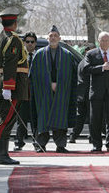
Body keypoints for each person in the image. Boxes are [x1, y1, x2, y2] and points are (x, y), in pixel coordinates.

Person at [29, 25, 77, 153]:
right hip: (43, 93)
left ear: (60, 38)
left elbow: (72, 75)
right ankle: (40, 145)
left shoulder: (67, 55)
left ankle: (60, 145)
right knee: (43, 117)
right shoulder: (39, 55)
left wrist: (59, 84)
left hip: (62, 92)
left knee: (60, 117)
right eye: (51, 36)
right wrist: (48, 84)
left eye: (55, 36)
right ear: (47, 38)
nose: (53, 38)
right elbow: (33, 75)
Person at [0, 7, 29, 164]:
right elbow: (10, 63)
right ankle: (1, 155)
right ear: (14, 23)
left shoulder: (0, 37)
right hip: (12, 85)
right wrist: (8, 87)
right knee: (6, 120)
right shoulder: (12, 39)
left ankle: (2, 154)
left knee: (4, 118)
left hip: (5, 83)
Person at [83, 31, 109, 152]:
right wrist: (102, 68)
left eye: (107, 40)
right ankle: (96, 144)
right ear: (98, 41)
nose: (105, 42)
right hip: (97, 92)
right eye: (102, 40)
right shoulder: (91, 54)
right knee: (95, 119)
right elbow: (86, 69)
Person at [13, 32, 37, 151]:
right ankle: (19, 142)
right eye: (27, 41)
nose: (30, 44)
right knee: (21, 119)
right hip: (22, 92)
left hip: (35, 93)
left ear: (35, 43)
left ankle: (37, 142)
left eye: (32, 42)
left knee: (35, 119)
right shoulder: (19, 56)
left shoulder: (39, 56)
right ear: (24, 43)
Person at [68, 43, 96, 144]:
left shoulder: (82, 62)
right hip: (86, 93)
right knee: (89, 116)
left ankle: (74, 135)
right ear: (86, 51)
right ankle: (90, 136)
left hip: (82, 93)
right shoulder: (87, 63)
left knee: (81, 116)